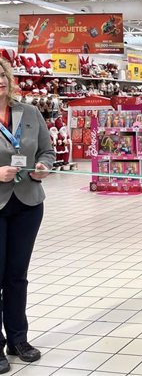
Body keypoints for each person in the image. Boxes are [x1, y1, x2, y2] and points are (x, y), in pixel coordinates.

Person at [0, 58, 55, 374]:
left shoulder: (30, 112)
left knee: (17, 275)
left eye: (3, 75)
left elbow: (47, 150)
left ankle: (18, 340)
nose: (0, 81)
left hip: (28, 202)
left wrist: (44, 167)